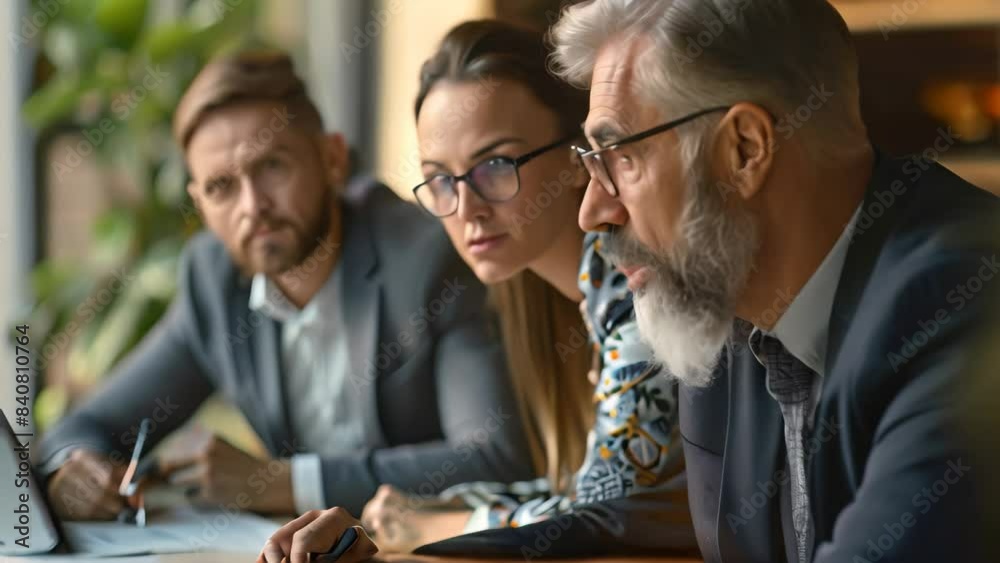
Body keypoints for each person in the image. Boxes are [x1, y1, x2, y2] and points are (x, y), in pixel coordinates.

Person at [549, 1, 1000, 562]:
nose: (591, 213)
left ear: (744, 149)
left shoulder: (962, 305)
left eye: (619, 157)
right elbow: (659, 517)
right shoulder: (726, 289)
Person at [257, 20, 695, 563]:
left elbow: (609, 511)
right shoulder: (537, 299)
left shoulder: (629, 283)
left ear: (576, 155)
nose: (467, 210)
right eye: (440, 178)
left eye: (495, 165)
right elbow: (575, 492)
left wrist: (437, 523)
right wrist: (421, 510)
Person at [37, 51, 535, 520]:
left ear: (333, 159)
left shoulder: (424, 258)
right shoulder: (213, 282)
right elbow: (84, 428)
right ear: (200, 203)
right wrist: (72, 469)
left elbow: (494, 459)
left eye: (272, 166)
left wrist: (287, 482)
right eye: (221, 187)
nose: (252, 206)